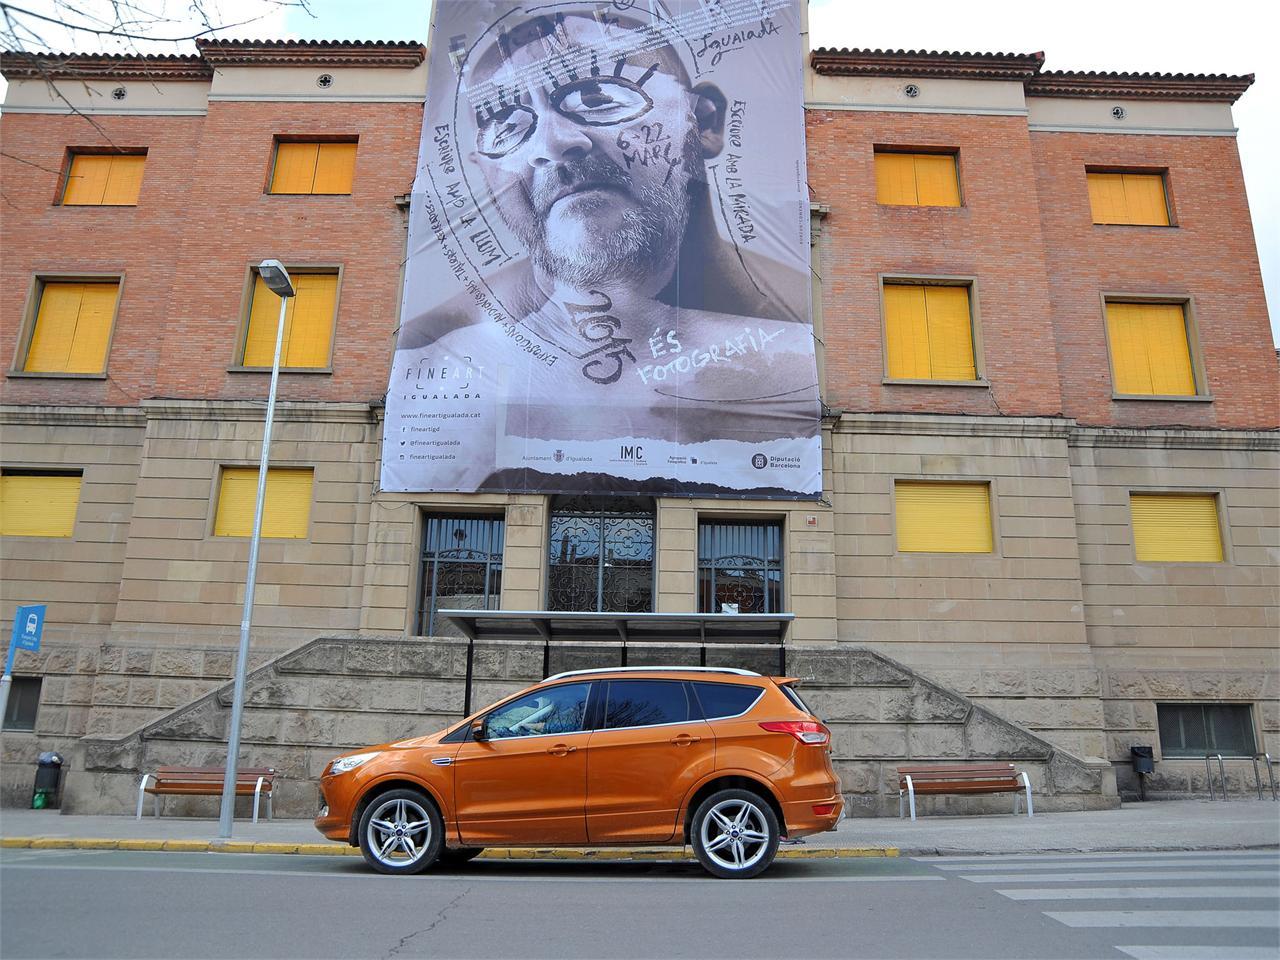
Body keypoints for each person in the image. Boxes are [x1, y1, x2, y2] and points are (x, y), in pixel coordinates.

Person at [387, 4, 819, 495]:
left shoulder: (809, 332)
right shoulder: (431, 354)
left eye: (596, 95)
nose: (550, 143)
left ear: (703, 122)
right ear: (483, 169)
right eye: (506, 126)